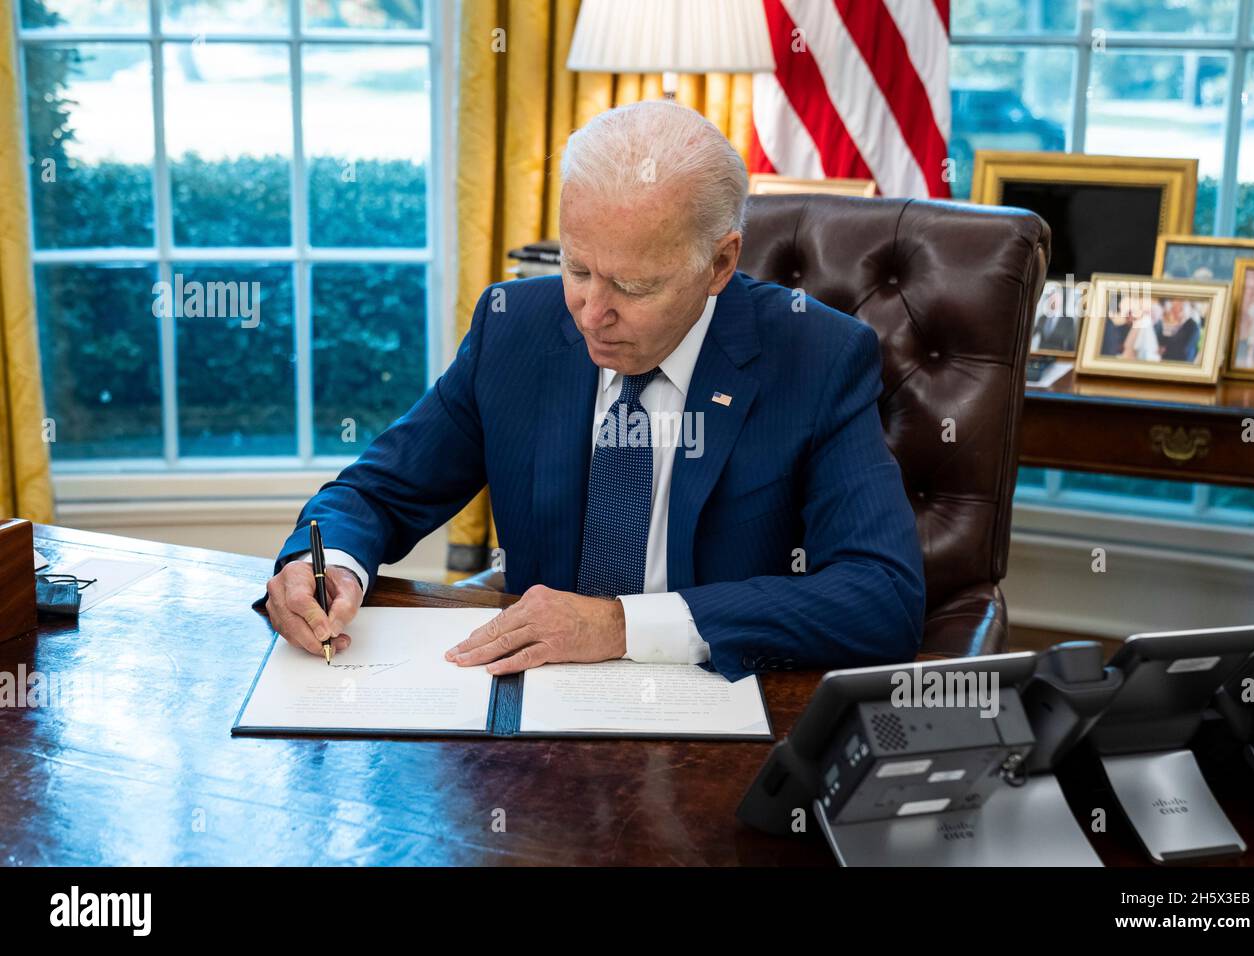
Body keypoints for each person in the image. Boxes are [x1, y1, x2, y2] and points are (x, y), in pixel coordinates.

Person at [261, 100, 926, 682]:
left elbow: (881, 597)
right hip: (533, 711)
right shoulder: (514, 329)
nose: (590, 312)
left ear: (720, 262)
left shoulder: (816, 356)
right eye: (577, 268)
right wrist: (331, 563)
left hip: (714, 707)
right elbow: (375, 493)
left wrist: (620, 627)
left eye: (633, 287)